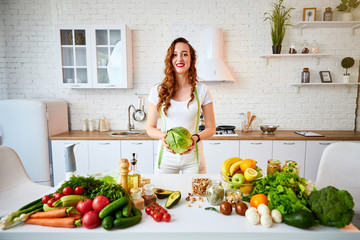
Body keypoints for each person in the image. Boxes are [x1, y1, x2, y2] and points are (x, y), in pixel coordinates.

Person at [146, 37, 216, 174]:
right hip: (166, 157)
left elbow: (211, 128)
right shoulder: (157, 90)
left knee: (196, 195)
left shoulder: (202, 90)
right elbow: (150, 128)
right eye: (175, 54)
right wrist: (163, 137)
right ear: (170, 59)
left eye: (185, 54)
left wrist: (195, 138)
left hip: (194, 156)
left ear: (191, 59)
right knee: (163, 194)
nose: (180, 59)